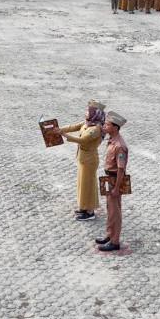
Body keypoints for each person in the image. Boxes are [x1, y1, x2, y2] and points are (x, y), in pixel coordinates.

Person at [55, 99, 106, 221]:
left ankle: (90, 211)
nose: (85, 113)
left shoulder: (96, 129)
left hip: (89, 160)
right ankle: (84, 206)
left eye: (88, 111)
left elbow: (83, 140)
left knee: (88, 185)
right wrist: (59, 129)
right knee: (82, 185)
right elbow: (74, 127)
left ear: (94, 114)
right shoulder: (88, 123)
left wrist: (64, 135)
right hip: (83, 158)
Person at [96, 111, 128, 252]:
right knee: (110, 209)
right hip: (109, 178)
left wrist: (116, 187)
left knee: (115, 212)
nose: (104, 125)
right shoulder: (111, 140)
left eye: (107, 124)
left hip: (115, 179)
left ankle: (115, 241)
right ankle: (109, 235)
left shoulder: (119, 145)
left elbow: (121, 168)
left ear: (115, 127)